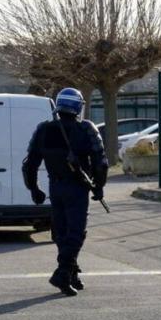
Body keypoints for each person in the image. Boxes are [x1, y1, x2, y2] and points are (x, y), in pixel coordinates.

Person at [22, 88, 109, 296]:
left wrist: (34, 189)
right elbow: (101, 162)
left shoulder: (43, 129)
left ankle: (71, 274)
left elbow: (29, 164)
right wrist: (99, 186)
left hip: (55, 187)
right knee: (75, 232)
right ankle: (62, 272)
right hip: (77, 187)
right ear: (78, 107)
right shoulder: (86, 128)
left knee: (62, 232)